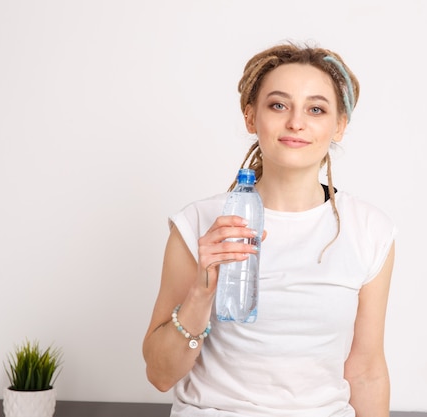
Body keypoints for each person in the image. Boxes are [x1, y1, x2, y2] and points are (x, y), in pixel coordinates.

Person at [142, 41, 397, 417]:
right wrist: (201, 292)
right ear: (250, 117)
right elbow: (161, 375)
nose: (296, 122)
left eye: (316, 109)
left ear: (339, 126)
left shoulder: (370, 230)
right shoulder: (199, 223)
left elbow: (367, 371)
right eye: (279, 105)